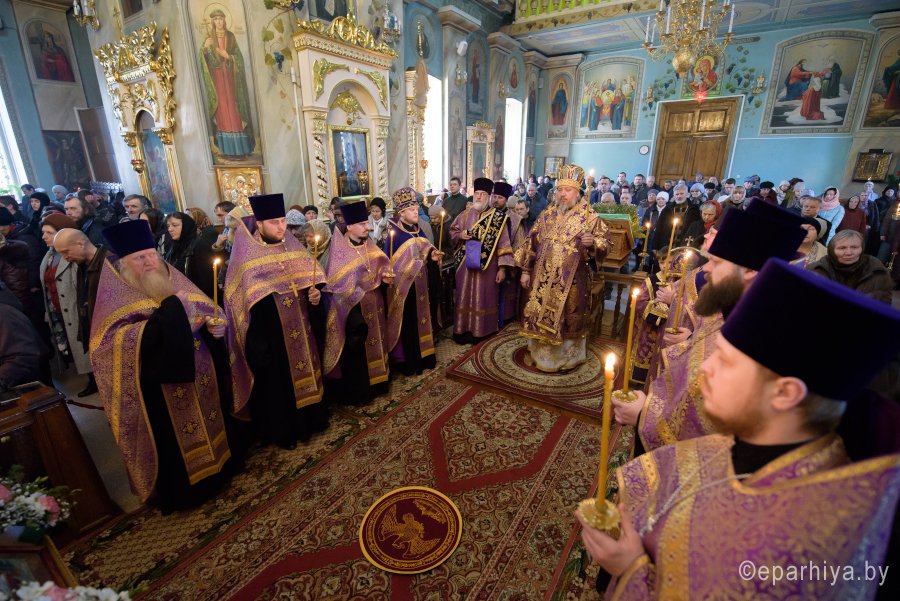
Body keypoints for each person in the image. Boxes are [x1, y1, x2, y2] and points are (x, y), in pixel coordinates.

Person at [585, 257, 900, 600]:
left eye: (725, 361)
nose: (705, 370)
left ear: (785, 393)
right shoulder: (738, 444)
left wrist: (630, 569)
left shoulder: (801, 543)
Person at [613, 200, 806, 456]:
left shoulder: (758, 339)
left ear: (749, 270)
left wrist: (642, 416)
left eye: (716, 262)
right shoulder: (738, 309)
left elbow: (712, 432)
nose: (707, 270)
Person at [90, 220, 235, 512]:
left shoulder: (173, 279)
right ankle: (187, 491)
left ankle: (221, 470)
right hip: (161, 386)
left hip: (200, 373)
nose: (148, 262)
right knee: (174, 440)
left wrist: (214, 326)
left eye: (150, 255)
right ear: (124, 265)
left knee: (212, 418)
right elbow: (110, 347)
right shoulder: (116, 298)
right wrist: (172, 312)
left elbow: (204, 310)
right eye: (139, 258)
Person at [224, 193, 328, 449]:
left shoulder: (293, 249)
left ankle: (313, 421)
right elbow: (241, 304)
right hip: (271, 336)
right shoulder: (247, 259)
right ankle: (286, 432)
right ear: (259, 224)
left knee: (307, 371)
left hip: (302, 329)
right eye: (274, 222)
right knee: (279, 384)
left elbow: (311, 284)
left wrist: (315, 296)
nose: (281, 227)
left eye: (282, 221)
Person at [516, 165, 610, 372]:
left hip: (572, 281)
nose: (562, 194)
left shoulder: (590, 217)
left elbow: (606, 244)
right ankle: (539, 354)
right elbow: (531, 243)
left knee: (568, 318)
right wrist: (525, 271)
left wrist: (593, 243)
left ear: (577, 192)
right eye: (560, 189)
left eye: (567, 190)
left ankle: (565, 358)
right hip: (541, 279)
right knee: (538, 313)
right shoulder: (546, 215)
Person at [322, 200, 391, 403]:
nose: (367, 227)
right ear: (350, 226)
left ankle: (380, 382)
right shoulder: (339, 253)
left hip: (375, 307)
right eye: (362, 224)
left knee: (378, 342)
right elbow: (336, 286)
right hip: (355, 312)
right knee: (359, 350)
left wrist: (385, 279)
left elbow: (381, 268)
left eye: (366, 223)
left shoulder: (371, 247)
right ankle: (362, 390)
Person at [384, 188, 443, 376]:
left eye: (416, 208)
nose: (416, 211)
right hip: (405, 290)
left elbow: (427, 250)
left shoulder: (418, 229)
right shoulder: (394, 233)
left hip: (422, 287)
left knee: (424, 320)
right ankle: (411, 361)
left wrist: (433, 256)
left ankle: (426, 357)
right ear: (401, 213)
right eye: (411, 210)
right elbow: (389, 263)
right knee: (410, 323)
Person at [450, 177, 514, 344]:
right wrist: (460, 235)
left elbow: (504, 244)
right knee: (463, 296)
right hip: (465, 267)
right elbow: (452, 232)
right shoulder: (464, 215)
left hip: (488, 267)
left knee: (484, 297)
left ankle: (482, 331)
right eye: (476, 193)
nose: (478, 197)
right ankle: (462, 330)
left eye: (482, 194)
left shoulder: (497, 218)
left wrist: (502, 269)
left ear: (489, 196)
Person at [38, 214, 94, 393]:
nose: (44, 236)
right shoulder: (49, 255)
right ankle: (91, 378)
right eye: (43, 232)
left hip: (74, 309)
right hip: (59, 309)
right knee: (75, 348)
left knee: (84, 347)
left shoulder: (72, 256)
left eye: (49, 233)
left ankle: (94, 379)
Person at [200, 9, 254, 158]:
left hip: (231, 78)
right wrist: (205, 49)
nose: (218, 21)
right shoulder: (209, 38)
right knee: (223, 110)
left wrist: (228, 57)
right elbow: (204, 60)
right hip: (217, 79)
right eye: (216, 19)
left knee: (234, 109)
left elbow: (239, 58)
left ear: (224, 20)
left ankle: (241, 149)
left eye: (221, 18)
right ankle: (227, 150)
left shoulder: (230, 37)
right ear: (213, 21)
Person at [809, 230, 893, 303]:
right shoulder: (818, 268)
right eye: (842, 248)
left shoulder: (875, 269)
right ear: (831, 250)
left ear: (862, 249)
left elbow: (878, 303)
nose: (849, 253)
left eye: (854, 247)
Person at [163, 212, 217, 300]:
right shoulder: (172, 246)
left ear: (186, 226)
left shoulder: (199, 246)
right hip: (179, 297)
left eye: (175, 225)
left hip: (197, 299)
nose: (170, 229)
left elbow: (206, 281)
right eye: (168, 226)